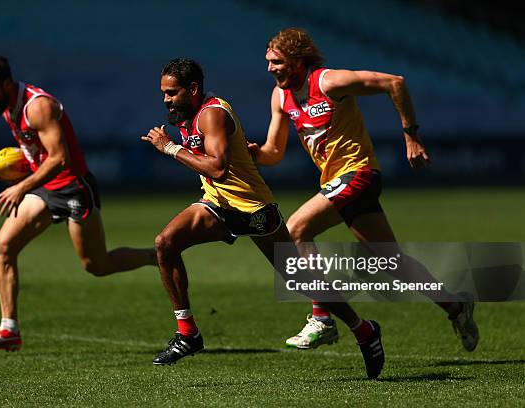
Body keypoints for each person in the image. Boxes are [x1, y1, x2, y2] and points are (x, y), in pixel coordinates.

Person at [142, 58, 385, 379]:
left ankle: (364, 330)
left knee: (300, 279)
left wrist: (170, 148)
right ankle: (188, 333)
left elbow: (217, 168)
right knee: (165, 243)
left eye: (171, 93)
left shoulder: (211, 114)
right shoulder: (185, 115)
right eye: (164, 93)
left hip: (253, 209)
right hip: (217, 204)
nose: (166, 99)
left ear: (193, 89)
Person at [248, 28, 479, 352]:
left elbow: (393, 82)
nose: (271, 68)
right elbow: (274, 152)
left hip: (358, 173)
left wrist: (410, 135)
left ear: (298, 61)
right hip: (336, 183)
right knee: (393, 263)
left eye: (277, 62)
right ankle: (456, 307)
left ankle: (322, 318)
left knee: (295, 230)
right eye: (268, 62)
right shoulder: (280, 96)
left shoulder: (329, 82)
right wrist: (251, 154)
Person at [0, 56, 156, 351]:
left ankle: (155, 256)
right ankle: (9, 330)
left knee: (96, 264)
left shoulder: (38, 106)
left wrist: (21, 186)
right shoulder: (7, 107)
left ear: (6, 84)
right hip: (45, 189)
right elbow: (40, 153)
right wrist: (23, 169)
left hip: (73, 188)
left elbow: (60, 158)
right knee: (4, 247)